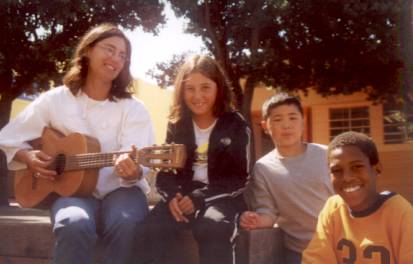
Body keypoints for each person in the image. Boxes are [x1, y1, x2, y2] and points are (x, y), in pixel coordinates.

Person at [0, 23, 155, 264]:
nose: (116, 58)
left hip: (121, 190)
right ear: (87, 51)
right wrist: (27, 157)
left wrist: (133, 170)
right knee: (74, 223)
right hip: (71, 192)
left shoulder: (134, 108)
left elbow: (140, 159)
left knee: (126, 222)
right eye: (110, 49)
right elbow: (9, 136)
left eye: (123, 55)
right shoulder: (56, 99)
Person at [133, 55, 251, 264]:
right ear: (181, 91)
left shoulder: (235, 124)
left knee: (212, 226)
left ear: (218, 88)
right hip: (183, 197)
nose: (197, 96)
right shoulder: (177, 124)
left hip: (221, 197)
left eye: (205, 87)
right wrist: (171, 197)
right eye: (190, 89)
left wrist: (200, 197)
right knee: (148, 230)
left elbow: (240, 178)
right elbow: (166, 172)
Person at [240, 93, 334, 264]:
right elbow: (267, 212)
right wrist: (254, 219)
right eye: (277, 119)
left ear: (302, 121)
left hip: (340, 246)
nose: (286, 125)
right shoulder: (263, 168)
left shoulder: (327, 155)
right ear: (265, 126)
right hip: (299, 253)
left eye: (293, 118)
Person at [302, 131, 413, 263]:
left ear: (376, 168)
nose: (347, 177)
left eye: (357, 167)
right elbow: (315, 259)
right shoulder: (333, 209)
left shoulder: (401, 214)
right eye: (337, 170)